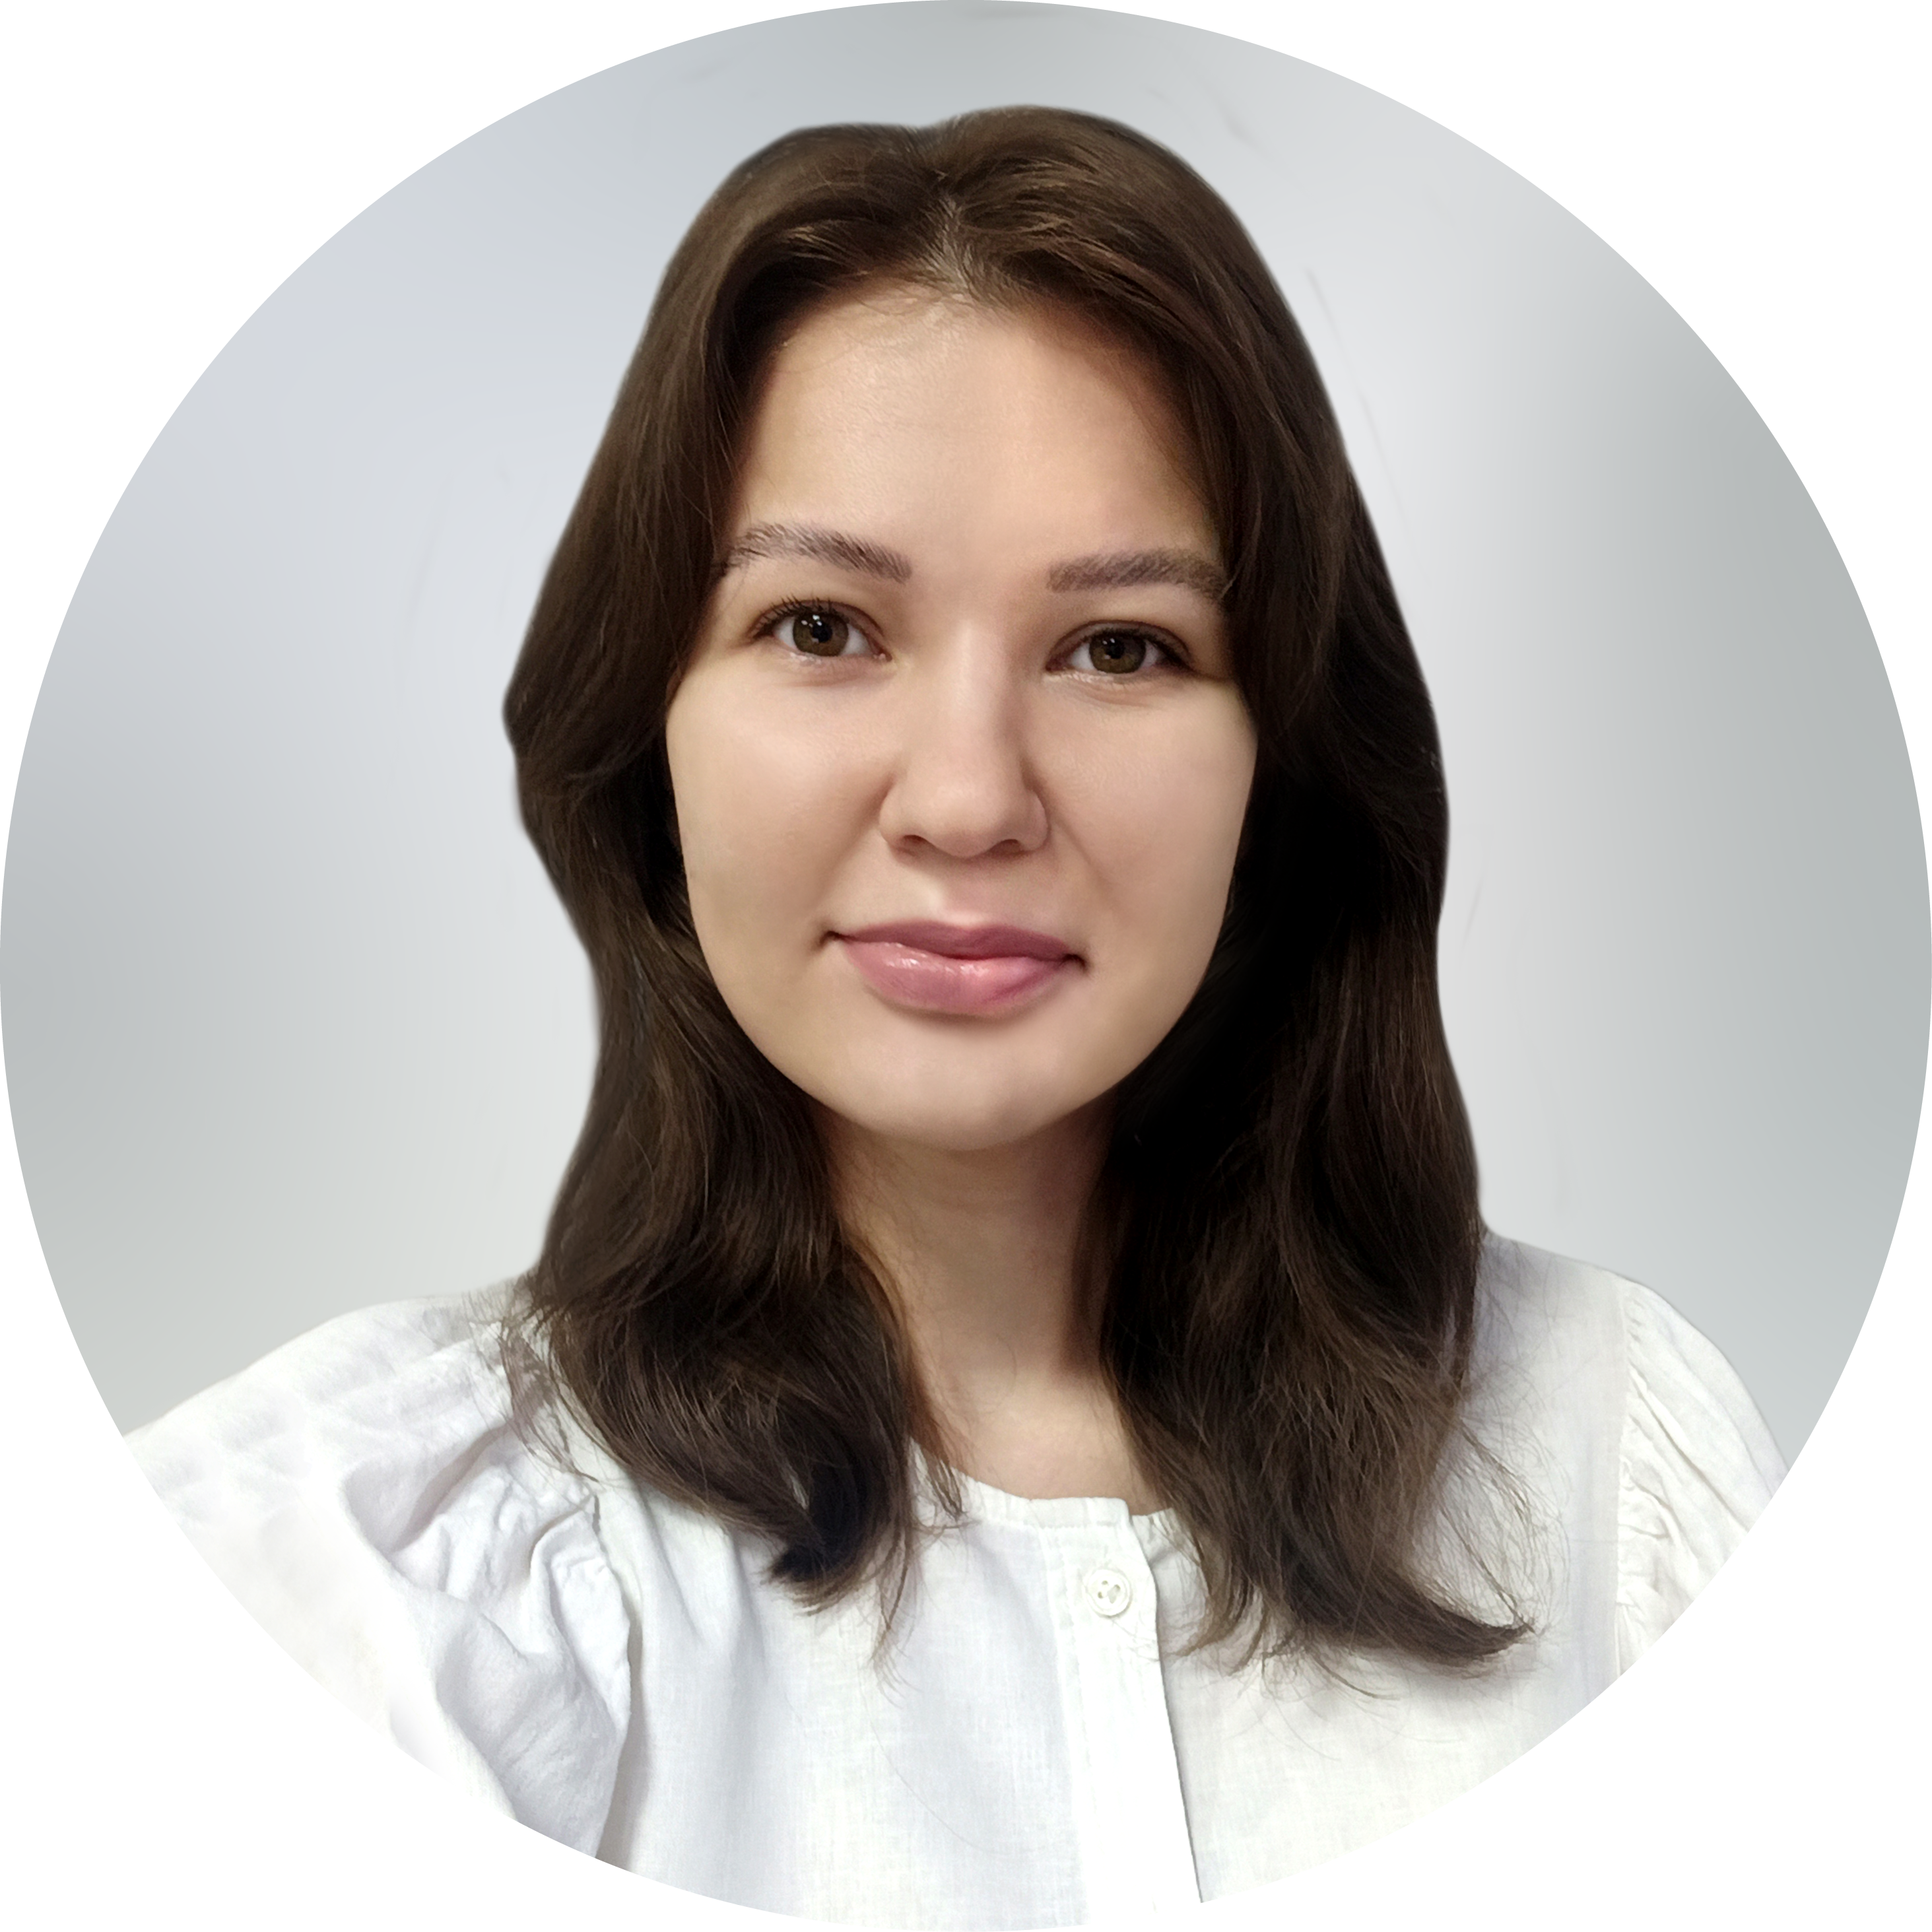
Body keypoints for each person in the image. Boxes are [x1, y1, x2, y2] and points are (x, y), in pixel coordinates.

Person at [127, 108, 1782, 1922]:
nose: (970, 799)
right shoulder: (367, 1569)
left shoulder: (1615, 1462)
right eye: (822, 627)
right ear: (647, 735)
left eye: (1119, 647)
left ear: (1283, 770)